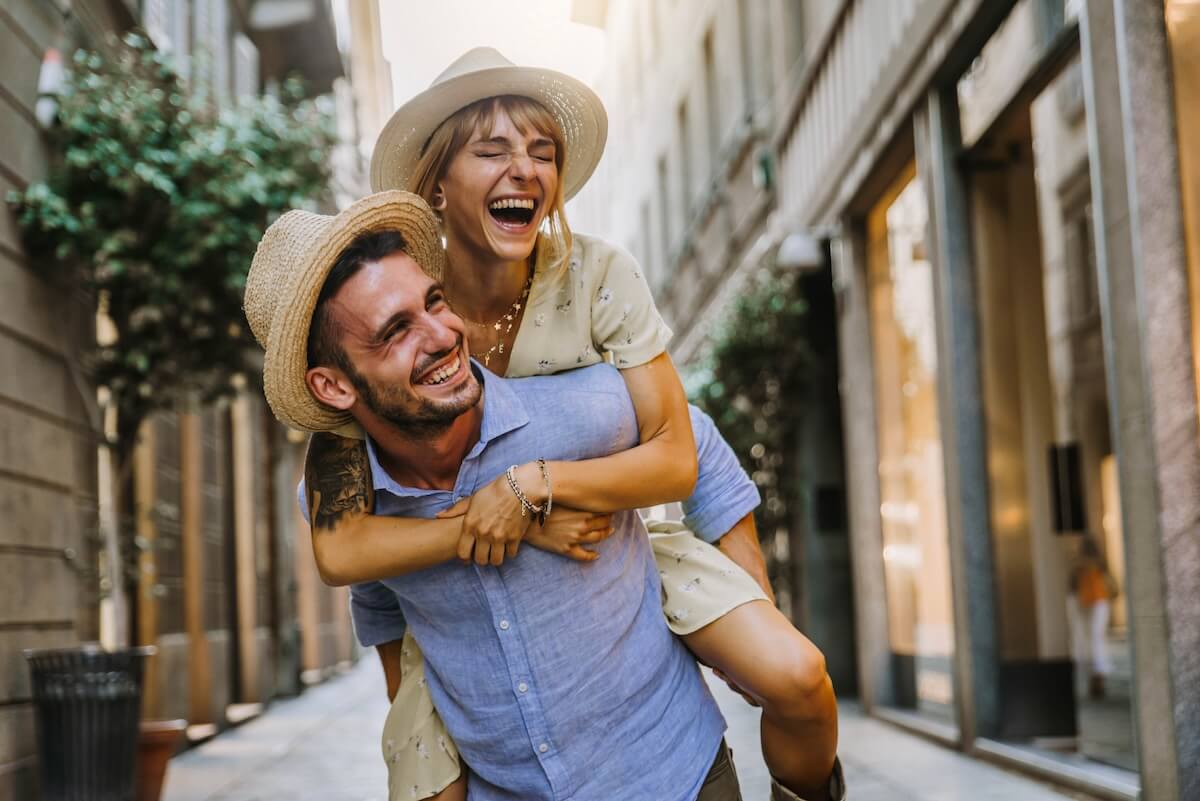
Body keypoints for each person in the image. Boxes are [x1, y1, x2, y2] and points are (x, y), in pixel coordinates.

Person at [301, 48, 841, 801]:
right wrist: (514, 520)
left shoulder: (595, 279)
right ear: (436, 186)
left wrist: (541, 487)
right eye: (492, 149)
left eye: (541, 151)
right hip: (463, 616)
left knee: (794, 674)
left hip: (619, 539)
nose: (524, 167)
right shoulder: (400, 329)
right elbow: (360, 557)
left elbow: (688, 441)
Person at [244, 192, 744, 800]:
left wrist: (751, 613)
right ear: (332, 385)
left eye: (433, 302)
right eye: (396, 331)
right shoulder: (349, 502)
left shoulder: (573, 407)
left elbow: (695, 440)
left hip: (672, 775)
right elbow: (378, 601)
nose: (442, 335)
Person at [1069, 535, 1118, 699]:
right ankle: (1097, 673)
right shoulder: (1096, 562)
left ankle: (1097, 674)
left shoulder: (1082, 563)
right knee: (1095, 639)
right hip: (1096, 601)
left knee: (1092, 639)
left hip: (1091, 601)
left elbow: (1072, 585)